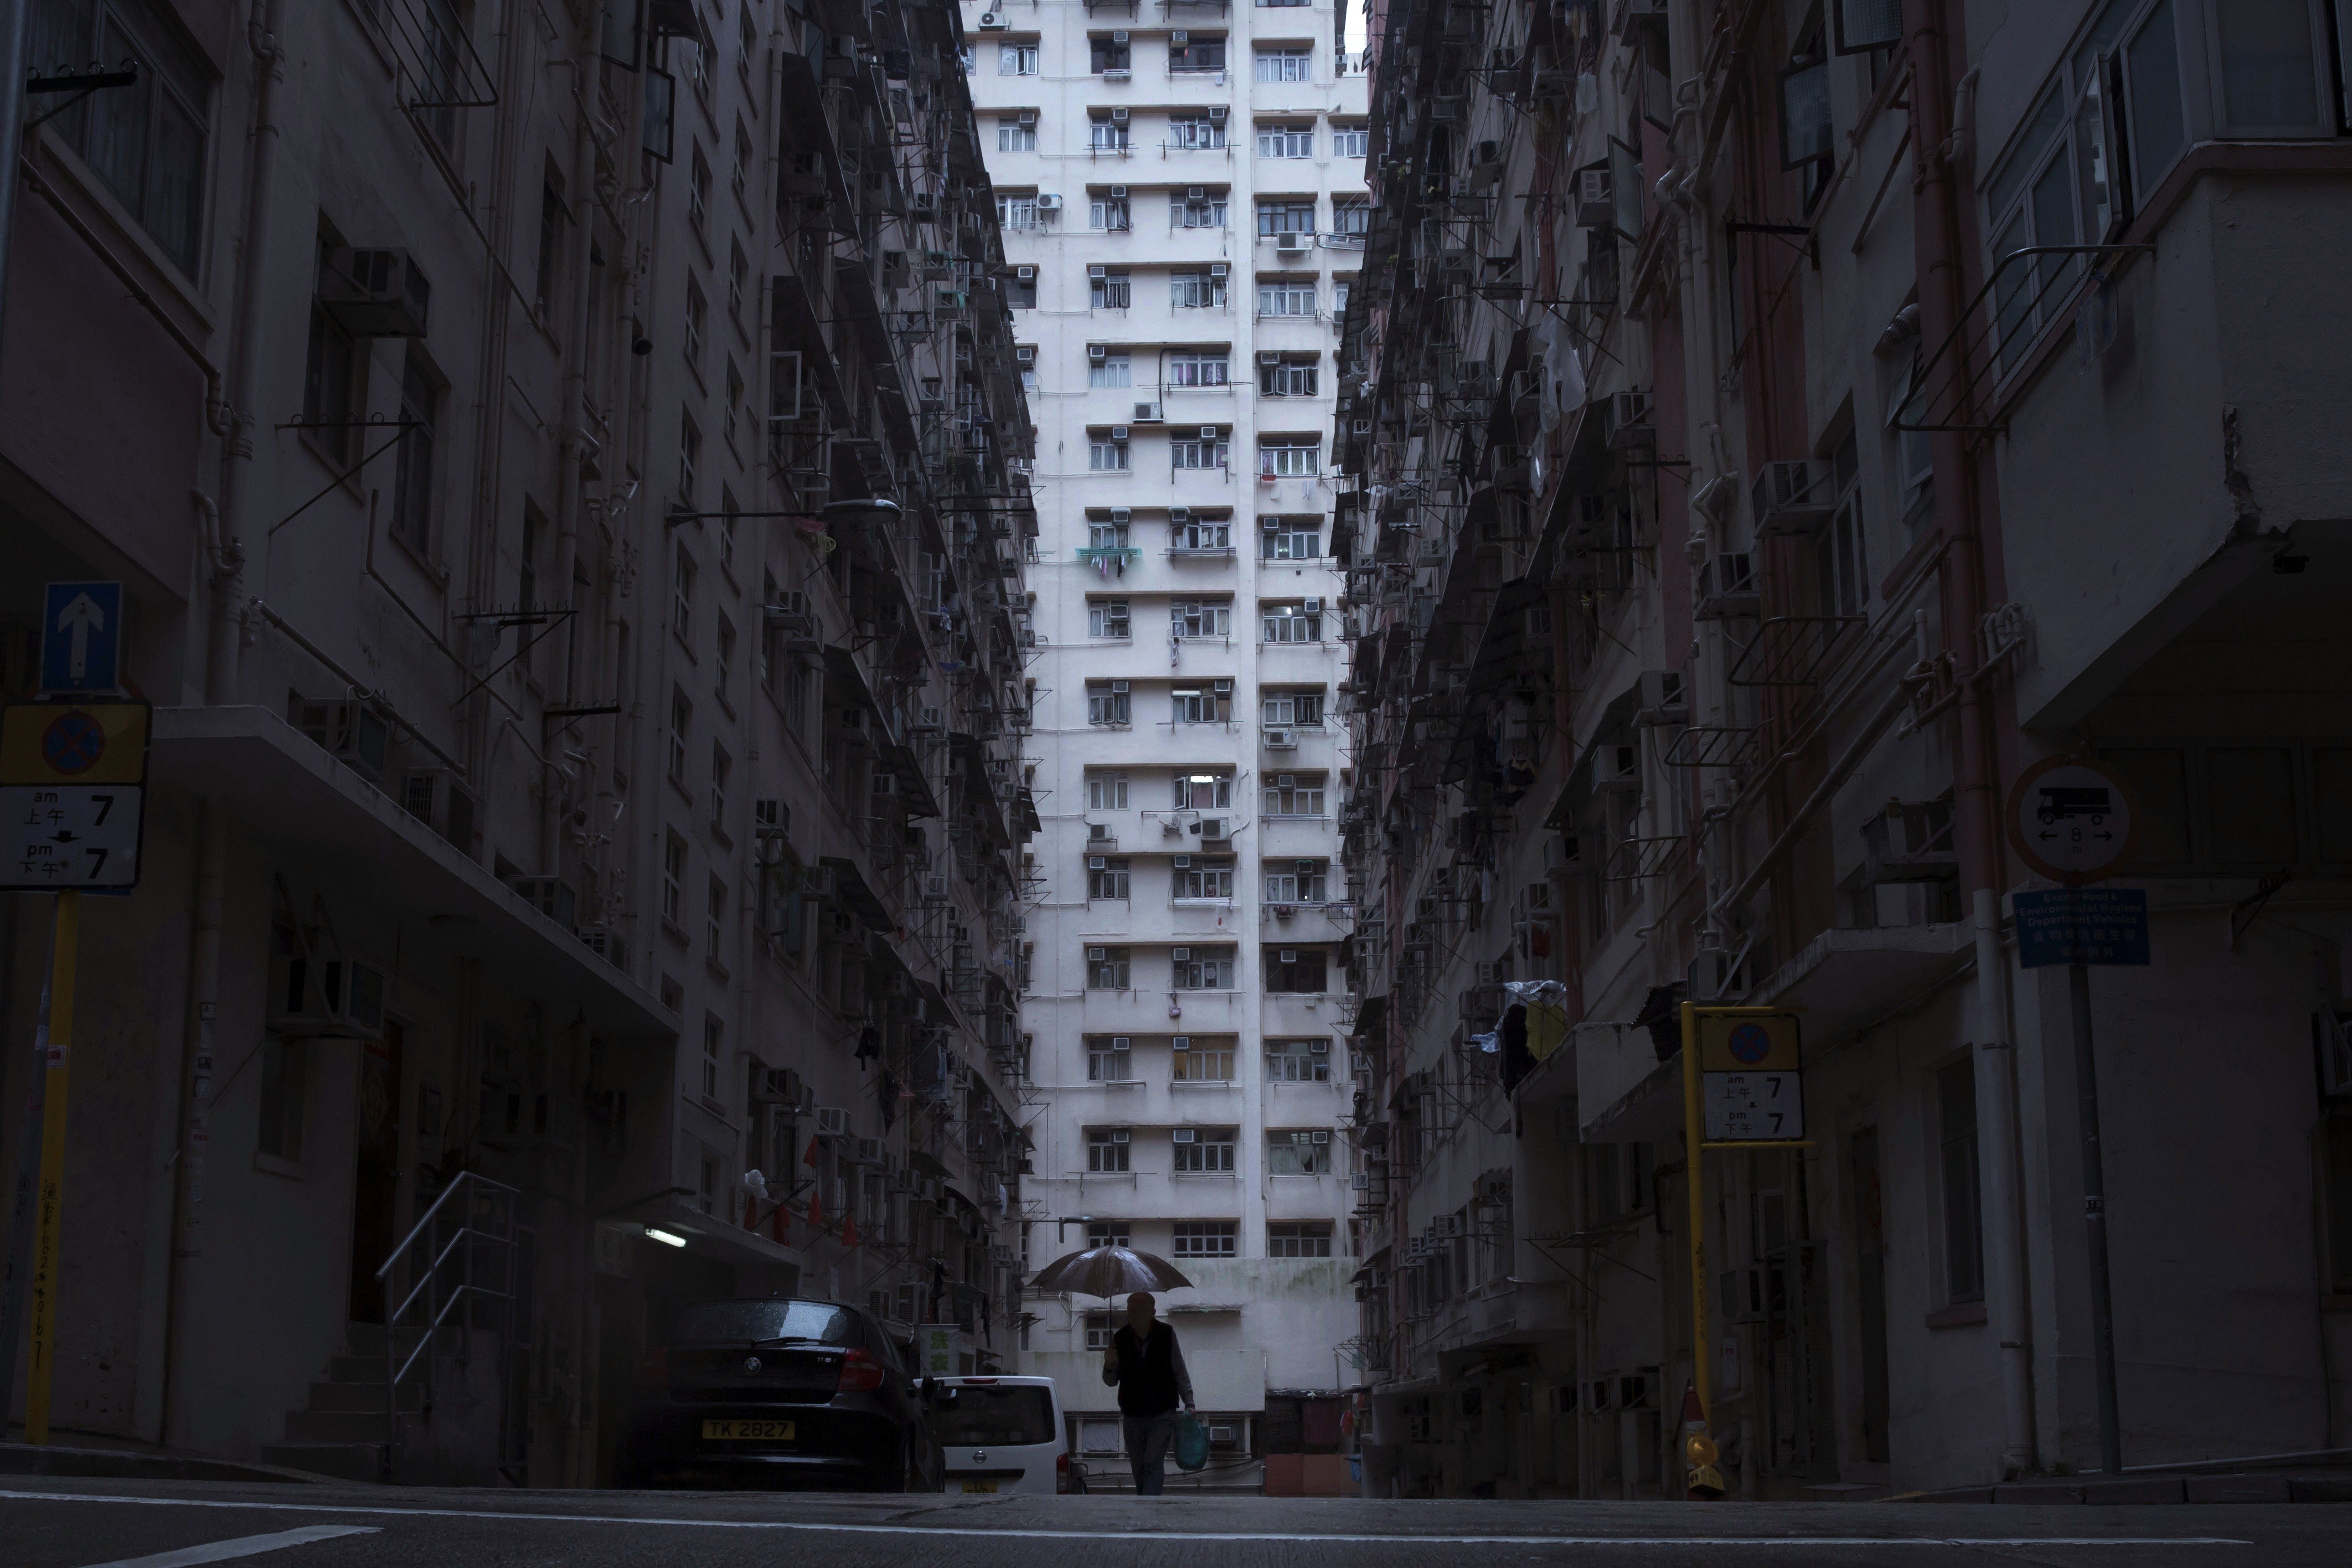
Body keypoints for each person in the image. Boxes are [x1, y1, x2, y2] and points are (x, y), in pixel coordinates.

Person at [1101, 1290, 1194, 1494]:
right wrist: (1109, 1365)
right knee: (1138, 1467)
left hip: (1163, 1412)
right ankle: (1144, 1501)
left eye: (1140, 1309)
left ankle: (1149, 1506)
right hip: (1133, 1413)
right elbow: (1110, 1381)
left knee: (1152, 1461)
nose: (1135, 1313)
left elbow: (1179, 1369)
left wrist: (1189, 1401)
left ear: (1152, 1311)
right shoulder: (1120, 1338)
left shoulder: (1166, 1334)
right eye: (1131, 1309)